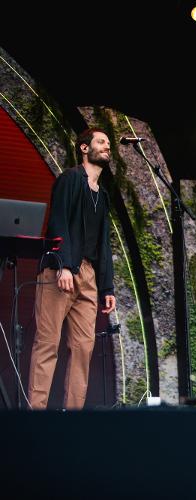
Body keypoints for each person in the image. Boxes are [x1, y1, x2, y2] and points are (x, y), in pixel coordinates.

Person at [28, 128, 116, 410]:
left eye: (108, 144)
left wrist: (107, 287)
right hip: (61, 271)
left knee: (83, 348)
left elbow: (104, 242)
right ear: (84, 148)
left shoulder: (102, 195)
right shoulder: (70, 179)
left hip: (89, 277)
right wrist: (64, 265)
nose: (107, 147)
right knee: (48, 343)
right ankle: (36, 413)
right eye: (101, 142)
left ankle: (74, 417)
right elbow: (59, 221)